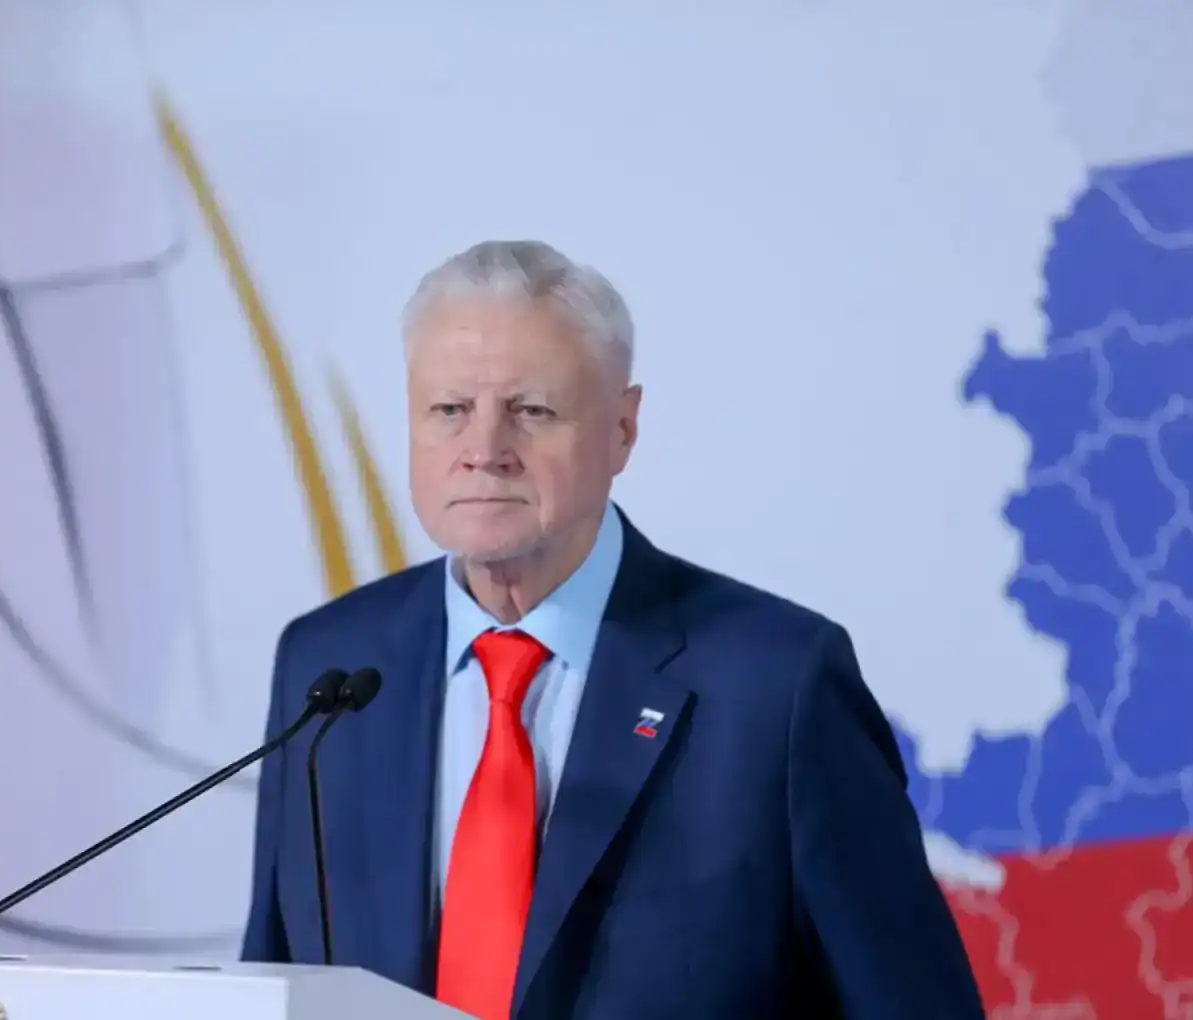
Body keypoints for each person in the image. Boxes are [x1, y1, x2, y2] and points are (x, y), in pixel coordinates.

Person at [241, 240, 986, 1019]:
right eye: (450, 410)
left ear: (623, 430)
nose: (484, 452)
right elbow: (275, 981)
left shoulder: (778, 688)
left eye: (531, 411)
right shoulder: (328, 670)